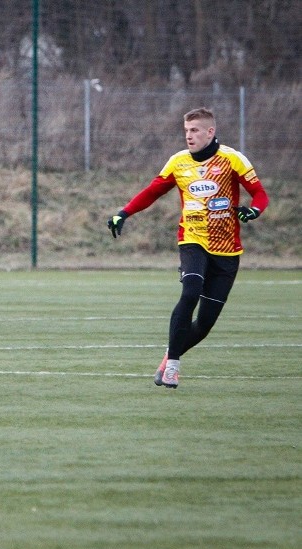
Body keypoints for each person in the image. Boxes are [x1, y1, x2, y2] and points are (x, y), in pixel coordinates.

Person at [107, 107, 269, 389]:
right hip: (192, 239)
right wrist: (124, 212)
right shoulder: (178, 162)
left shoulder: (232, 159)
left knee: (205, 324)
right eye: (186, 131)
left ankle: (170, 354)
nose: (189, 136)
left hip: (228, 250)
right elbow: (153, 191)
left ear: (210, 132)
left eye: (194, 131)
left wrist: (254, 210)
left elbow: (260, 193)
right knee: (191, 290)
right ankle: (173, 368)